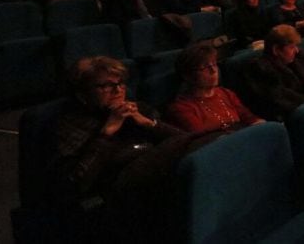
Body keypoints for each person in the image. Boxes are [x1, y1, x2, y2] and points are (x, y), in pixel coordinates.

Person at [52, 56, 201, 241]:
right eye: (105, 85)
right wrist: (107, 133)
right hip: (120, 199)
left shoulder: (138, 110)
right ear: (82, 94)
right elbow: (76, 184)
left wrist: (148, 123)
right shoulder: (71, 124)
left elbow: (184, 141)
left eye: (120, 83)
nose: (117, 90)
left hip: (159, 180)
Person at [166, 43, 263, 133]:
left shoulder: (225, 93)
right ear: (188, 75)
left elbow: (248, 117)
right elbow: (204, 140)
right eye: (204, 67)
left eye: (214, 64)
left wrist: (259, 124)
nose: (213, 71)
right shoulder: (181, 108)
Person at [241, 25, 304, 121]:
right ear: (276, 50)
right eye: (291, 47)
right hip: (287, 117)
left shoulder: (297, 58)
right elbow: (280, 98)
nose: (296, 50)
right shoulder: (260, 69)